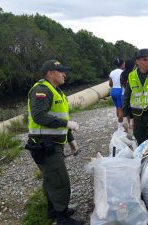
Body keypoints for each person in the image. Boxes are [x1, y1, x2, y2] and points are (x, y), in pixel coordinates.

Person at [27, 60, 83, 225]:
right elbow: (39, 116)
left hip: (54, 144)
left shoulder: (56, 91)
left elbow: (59, 118)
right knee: (59, 180)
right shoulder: (41, 91)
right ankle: (62, 218)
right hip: (44, 145)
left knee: (51, 179)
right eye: (61, 71)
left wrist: (71, 140)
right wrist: (67, 124)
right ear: (50, 73)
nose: (64, 74)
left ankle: (53, 210)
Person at [109, 59, 125, 131]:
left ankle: (119, 122)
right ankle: (120, 126)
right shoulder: (123, 72)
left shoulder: (112, 72)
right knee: (120, 109)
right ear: (122, 64)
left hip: (113, 90)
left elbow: (110, 84)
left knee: (117, 108)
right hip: (120, 90)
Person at [120, 58, 135, 133]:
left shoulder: (122, 74)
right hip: (133, 96)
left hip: (124, 95)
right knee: (135, 116)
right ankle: (135, 133)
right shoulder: (134, 74)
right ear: (133, 65)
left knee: (126, 115)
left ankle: (126, 130)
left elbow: (121, 86)